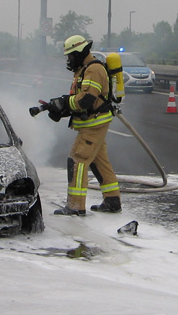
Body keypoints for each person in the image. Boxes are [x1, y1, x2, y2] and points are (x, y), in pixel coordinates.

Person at [44, 35, 122, 216]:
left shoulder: (93, 70)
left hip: (94, 124)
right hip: (93, 122)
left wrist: (64, 103)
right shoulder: (84, 69)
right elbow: (80, 100)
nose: (69, 60)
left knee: (77, 160)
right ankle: (112, 200)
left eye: (70, 56)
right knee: (98, 161)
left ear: (79, 53)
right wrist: (57, 107)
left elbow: (86, 99)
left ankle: (75, 205)